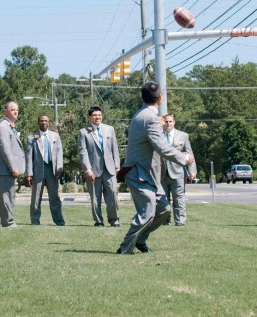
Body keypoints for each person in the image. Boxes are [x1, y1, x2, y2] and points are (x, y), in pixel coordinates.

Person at [117, 82, 193, 254]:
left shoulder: (141, 114)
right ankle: (124, 249)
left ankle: (140, 240)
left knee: (164, 209)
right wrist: (185, 158)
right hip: (139, 173)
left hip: (147, 174)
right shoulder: (150, 118)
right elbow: (163, 149)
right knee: (147, 213)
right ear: (160, 97)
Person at [78, 106, 121, 227]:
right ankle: (99, 221)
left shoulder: (109, 129)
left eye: (99, 115)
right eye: (95, 115)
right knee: (95, 198)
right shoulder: (83, 132)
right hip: (93, 171)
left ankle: (114, 220)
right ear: (89, 117)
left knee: (113, 194)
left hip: (110, 169)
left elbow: (115, 149)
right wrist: (88, 170)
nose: (98, 117)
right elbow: (83, 153)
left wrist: (117, 166)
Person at [25, 115, 65, 226]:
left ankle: (59, 221)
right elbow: (28, 157)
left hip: (52, 171)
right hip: (38, 171)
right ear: (38, 122)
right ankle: (35, 221)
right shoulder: (31, 138)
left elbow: (59, 153)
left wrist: (59, 168)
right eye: (41, 121)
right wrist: (29, 174)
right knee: (36, 198)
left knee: (55, 197)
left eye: (46, 121)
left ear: (49, 122)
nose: (43, 122)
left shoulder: (55, 136)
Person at [161, 114, 197, 226]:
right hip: (161, 173)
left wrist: (192, 171)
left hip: (178, 173)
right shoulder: (158, 136)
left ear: (174, 122)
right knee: (163, 200)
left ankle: (180, 222)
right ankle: (165, 221)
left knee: (179, 199)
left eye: (170, 121)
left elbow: (190, 154)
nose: (168, 124)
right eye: (166, 121)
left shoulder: (183, 136)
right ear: (163, 123)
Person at [0, 101, 25, 227]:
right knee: (6, 198)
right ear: (5, 111)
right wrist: (13, 167)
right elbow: (6, 150)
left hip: (9, 170)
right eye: (12, 109)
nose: (15, 111)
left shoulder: (10, 126)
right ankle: (8, 222)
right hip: (5, 169)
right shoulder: (3, 127)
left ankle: (9, 220)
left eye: (17, 109)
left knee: (11, 197)